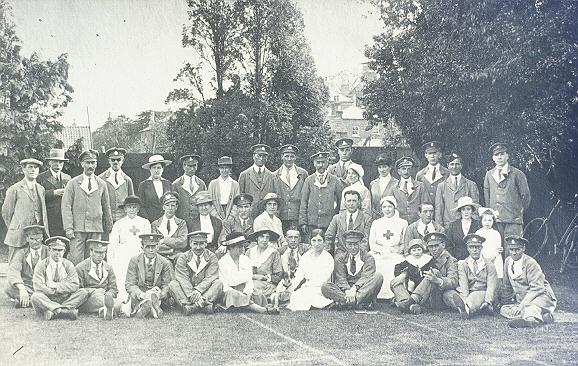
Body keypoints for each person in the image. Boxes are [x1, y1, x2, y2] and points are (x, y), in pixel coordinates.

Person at [391, 232, 463, 315]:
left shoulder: (451, 260)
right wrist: (404, 274)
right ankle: (411, 305)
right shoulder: (424, 257)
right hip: (419, 292)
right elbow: (411, 267)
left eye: (436, 246)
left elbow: (453, 282)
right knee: (394, 282)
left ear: (443, 245)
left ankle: (409, 301)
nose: (433, 249)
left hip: (436, 296)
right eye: (431, 246)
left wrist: (438, 280)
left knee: (434, 272)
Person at [61, 149, 113, 265]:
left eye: (93, 162)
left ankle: (91, 282)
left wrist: (109, 227)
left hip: (96, 228)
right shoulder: (73, 183)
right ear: (82, 164)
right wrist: (68, 228)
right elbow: (66, 207)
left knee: (94, 258)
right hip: (77, 228)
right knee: (76, 258)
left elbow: (106, 206)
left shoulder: (101, 184)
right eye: (88, 162)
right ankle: (75, 282)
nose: (91, 166)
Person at [483, 143, 531, 252]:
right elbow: (487, 197)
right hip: (496, 220)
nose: (499, 157)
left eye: (502, 154)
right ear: (493, 158)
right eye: (496, 155)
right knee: (496, 250)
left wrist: (517, 211)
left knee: (512, 250)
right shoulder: (489, 175)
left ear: (507, 156)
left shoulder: (517, 174)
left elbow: (526, 196)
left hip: (513, 220)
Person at [500, 235, 556, 328]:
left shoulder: (531, 263)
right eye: (511, 250)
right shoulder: (507, 262)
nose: (514, 253)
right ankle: (544, 316)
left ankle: (531, 321)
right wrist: (504, 301)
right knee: (504, 309)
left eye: (517, 249)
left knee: (531, 307)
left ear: (523, 249)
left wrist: (521, 305)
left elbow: (537, 288)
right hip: (524, 299)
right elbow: (507, 286)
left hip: (541, 296)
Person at [2, 158, 49, 264]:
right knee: (15, 262)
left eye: (36, 168)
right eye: (30, 167)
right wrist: (15, 227)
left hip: (36, 233)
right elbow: (6, 212)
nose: (33, 170)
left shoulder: (41, 189)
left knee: (34, 262)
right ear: (23, 169)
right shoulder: (14, 189)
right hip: (19, 233)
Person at [218, 233, 279, 314]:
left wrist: (247, 292)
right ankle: (260, 310)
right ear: (231, 248)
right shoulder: (222, 262)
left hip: (244, 289)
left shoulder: (245, 259)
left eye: (243, 246)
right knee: (232, 294)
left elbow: (249, 280)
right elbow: (225, 284)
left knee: (257, 294)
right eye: (239, 247)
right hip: (230, 291)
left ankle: (244, 306)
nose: (242, 249)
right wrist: (240, 291)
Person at [321, 230, 383, 310]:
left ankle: (346, 302)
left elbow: (366, 277)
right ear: (346, 244)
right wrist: (348, 291)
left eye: (356, 244)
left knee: (378, 276)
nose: (353, 248)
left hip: (363, 290)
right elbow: (341, 278)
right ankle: (357, 302)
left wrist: (354, 289)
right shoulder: (340, 259)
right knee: (325, 286)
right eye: (350, 244)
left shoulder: (368, 258)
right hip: (346, 292)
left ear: (360, 243)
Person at [30, 236, 87, 320]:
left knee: (83, 292)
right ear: (49, 250)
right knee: (35, 296)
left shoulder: (69, 265)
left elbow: (75, 285)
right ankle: (65, 311)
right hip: (48, 298)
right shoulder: (41, 265)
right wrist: (52, 291)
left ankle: (54, 311)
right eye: (55, 250)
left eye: (60, 250)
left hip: (65, 298)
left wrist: (56, 286)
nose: (57, 253)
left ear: (64, 251)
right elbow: (37, 286)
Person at [108, 195, 152, 302]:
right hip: (123, 253)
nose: (132, 209)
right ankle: (122, 298)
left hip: (139, 252)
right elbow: (113, 243)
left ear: (138, 208)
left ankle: (139, 298)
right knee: (121, 273)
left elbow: (148, 242)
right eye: (129, 207)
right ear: (125, 209)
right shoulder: (119, 224)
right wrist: (111, 260)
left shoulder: (145, 222)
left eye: (134, 207)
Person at [169, 231, 224, 315]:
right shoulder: (183, 257)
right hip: (188, 292)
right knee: (173, 284)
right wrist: (191, 294)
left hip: (204, 292)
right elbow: (183, 278)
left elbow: (211, 277)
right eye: (195, 244)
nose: (198, 247)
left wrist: (198, 290)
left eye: (201, 243)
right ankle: (203, 305)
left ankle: (192, 307)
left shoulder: (212, 257)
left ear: (206, 243)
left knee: (218, 283)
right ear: (190, 244)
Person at [125, 233, 174, 319]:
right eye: (147, 247)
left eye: (153, 247)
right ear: (142, 247)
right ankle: (152, 309)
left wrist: (161, 294)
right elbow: (130, 284)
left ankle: (146, 307)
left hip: (156, 292)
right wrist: (141, 294)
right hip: (140, 292)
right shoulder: (134, 260)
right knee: (134, 295)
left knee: (154, 294)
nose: (151, 250)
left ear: (158, 247)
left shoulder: (165, 262)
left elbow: (167, 284)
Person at [368, 196, 408, 299]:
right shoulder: (376, 223)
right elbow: (372, 243)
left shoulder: (403, 223)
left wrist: (396, 250)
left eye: (390, 206)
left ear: (395, 207)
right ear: (381, 209)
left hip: (396, 253)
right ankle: (375, 294)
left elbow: (405, 243)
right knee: (375, 262)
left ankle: (393, 295)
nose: (387, 209)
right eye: (384, 207)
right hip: (379, 252)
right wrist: (384, 250)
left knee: (395, 263)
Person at [287, 229, 334, 311]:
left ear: (324, 242)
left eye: (319, 240)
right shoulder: (306, 256)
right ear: (310, 241)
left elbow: (324, 279)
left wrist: (307, 285)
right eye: (314, 240)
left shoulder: (328, 257)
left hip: (322, 288)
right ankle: (314, 306)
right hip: (307, 287)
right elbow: (299, 276)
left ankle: (322, 305)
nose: (316, 244)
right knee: (296, 295)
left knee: (309, 295)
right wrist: (291, 288)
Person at [299, 151, 343, 238]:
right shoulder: (309, 180)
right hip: (312, 223)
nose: (321, 165)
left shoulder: (335, 180)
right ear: (314, 164)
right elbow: (303, 202)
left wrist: (337, 221)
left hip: (329, 223)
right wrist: (303, 222)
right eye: (318, 162)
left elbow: (340, 202)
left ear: (327, 163)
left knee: (328, 246)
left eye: (323, 162)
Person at [76, 240, 123, 320]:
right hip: (88, 299)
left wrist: (108, 295)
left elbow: (114, 288)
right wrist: (94, 291)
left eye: (102, 253)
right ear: (90, 252)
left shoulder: (108, 267)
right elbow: (77, 290)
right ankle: (116, 308)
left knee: (111, 301)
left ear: (105, 253)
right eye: (96, 252)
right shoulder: (81, 267)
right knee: (116, 304)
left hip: (104, 297)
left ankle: (104, 310)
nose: (99, 255)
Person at [5, 225, 49, 308]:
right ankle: (38, 301)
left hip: (44, 286)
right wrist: (22, 289)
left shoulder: (48, 251)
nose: (35, 242)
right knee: (8, 288)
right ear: (27, 239)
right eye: (32, 239)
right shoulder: (21, 253)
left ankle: (29, 302)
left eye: (37, 239)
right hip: (28, 286)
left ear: (42, 238)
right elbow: (14, 271)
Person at [456, 234, 498, 319]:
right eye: (472, 247)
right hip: (469, 293)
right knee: (450, 295)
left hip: (483, 292)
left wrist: (488, 301)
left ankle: (467, 310)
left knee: (474, 296)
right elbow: (463, 284)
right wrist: (465, 298)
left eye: (477, 247)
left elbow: (491, 285)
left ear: (481, 248)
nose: (474, 250)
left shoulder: (489, 264)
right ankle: (473, 307)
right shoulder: (463, 264)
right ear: (468, 248)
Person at [435, 152, 480, 227]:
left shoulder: (471, 185)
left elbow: (475, 208)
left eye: (457, 164)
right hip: (448, 225)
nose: (454, 167)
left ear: (461, 166)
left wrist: (473, 225)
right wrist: (439, 227)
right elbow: (439, 210)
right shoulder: (441, 186)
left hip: (466, 225)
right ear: (448, 166)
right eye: (452, 164)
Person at [272, 144, 309, 232]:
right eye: (286, 156)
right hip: (281, 217)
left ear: (295, 157)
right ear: (282, 157)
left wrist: (304, 219)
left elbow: (307, 197)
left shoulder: (303, 174)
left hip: (298, 217)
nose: (289, 159)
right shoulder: (275, 175)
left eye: (292, 156)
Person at [325, 190, 372, 255]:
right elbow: (329, 237)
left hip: (359, 255)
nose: (351, 203)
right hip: (341, 254)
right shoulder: (337, 218)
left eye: (354, 201)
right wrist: (327, 255)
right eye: (349, 201)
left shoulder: (366, 219)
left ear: (358, 202)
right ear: (344, 203)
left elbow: (365, 241)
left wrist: (358, 255)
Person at [37, 148, 70, 237]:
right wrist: (53, 193)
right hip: (49, 218)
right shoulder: (41, 178)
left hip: (64, 218)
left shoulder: (67, 178)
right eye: (55, 161)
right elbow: (38, 196)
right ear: (49, 162)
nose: (58, 165)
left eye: (61, 162)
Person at [246, 229, 283, 303]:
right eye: (262, 237)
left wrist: (265, 278)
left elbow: (278, 275)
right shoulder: (249, 252)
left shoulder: (274, 253)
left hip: (266, 284)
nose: (265, 240)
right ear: (257, 238)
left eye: (267, 237)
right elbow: (243, 270)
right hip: (250, 281)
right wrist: (254, 277)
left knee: (254, 288)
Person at [238, 144, 276, 217]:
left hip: (267, 215)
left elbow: (276, 196)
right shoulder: (244, 175)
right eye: (259, 155)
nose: (261, 158)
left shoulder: (272, 176)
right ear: (253, 156)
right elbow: (240, 198)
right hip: (249, 215)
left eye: (264, 156)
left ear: (267, 158)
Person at [98, 147, 135, 222]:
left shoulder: (127, 180)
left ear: (122, 161)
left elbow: (131, 201)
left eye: (118, 159)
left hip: (123, 219)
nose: (115, 162)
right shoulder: (101, 179)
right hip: (106, 219)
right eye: (113, 160)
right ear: (109, 161)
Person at [151, 192, 188, 265]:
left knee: (182, 257)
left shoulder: (181, 223)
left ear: (176, 207)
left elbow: (183, 242)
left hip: (176, 255)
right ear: (163, 207)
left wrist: (164, 240)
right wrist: (171, 248)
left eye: (173, 205)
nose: (170, 208)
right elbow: (155, 244)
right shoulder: (155, 224)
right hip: (160, 255)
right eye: (167, 205)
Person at [391, 156, 428, 224]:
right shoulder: (394, 188)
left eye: (409, 169)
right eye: (403, 169)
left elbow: (425, 205)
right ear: (399, 171)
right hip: (400, 223)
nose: (406, 171)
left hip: (417, 223)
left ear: (412, 170)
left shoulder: (420, 186)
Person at [137, 154, 173, 222]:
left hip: (166, 221)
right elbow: (141, 206)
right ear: (150, 169)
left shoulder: (168, 184)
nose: (156, 170)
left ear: (163, 169)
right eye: (154, 167)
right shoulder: (143, 185)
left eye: (159, 168)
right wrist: (147, 221)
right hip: (150, 221)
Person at [172, 154, 207, 222]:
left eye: (194, 166)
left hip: (198, 222)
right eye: (189, 166)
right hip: (182, 222)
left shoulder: (201, 184)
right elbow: (173, 205)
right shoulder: (176, 184)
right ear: (184, 166)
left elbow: (205, 203)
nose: (192, 169)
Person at [416, 141, 449, 206]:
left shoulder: (447, 173)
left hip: (442, 209)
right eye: (429, 153)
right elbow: (417, 195)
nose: (432, 156)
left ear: (440, 155)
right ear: (426, 155)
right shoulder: (420, 175)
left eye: (435, 153)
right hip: (426, 211)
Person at [207, 156, 239, 221]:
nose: (224, 170)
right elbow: (209, 203)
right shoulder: (213, 184)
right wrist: (216, 216)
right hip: (216, 215)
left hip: (231, 214)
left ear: (230, 169)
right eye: (222, 168)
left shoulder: (235, 184)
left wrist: (230, 217)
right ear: (219, 169)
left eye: (226, 168)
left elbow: (236, 203)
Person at [475, 207, 504, 279]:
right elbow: (477, 247)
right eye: (485, 220)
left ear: (493, 221)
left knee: (494, 277)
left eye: (489, 220)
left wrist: (492, 258)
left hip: (494, 259)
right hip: (482, 258)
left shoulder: (496, 233)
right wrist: (484, 259)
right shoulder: (478, 233)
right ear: (481, 221)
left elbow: (498, 249)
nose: (487, 223)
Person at [369, 154, 398, 219]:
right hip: (375, 219)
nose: (382, 170)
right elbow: (371, 204)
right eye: (380, 167)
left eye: (384, 167)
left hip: (391, 218)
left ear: (390, 167)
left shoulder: (397, 183)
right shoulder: (373, 184)